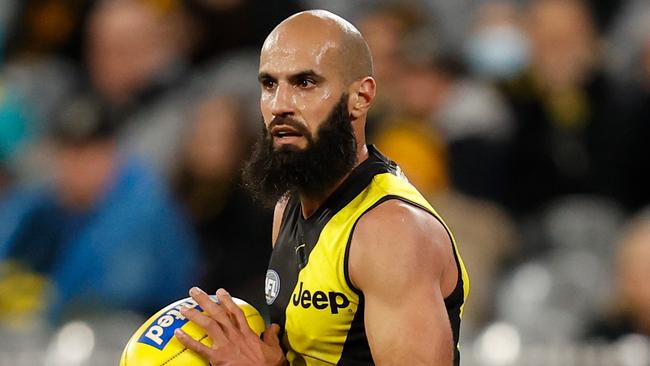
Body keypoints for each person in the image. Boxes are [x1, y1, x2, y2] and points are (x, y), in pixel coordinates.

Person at [174, 10, 469, 365]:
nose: (280, 105)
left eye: (305, 83)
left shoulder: (391, 233)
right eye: (269, 84)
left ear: (360, 97)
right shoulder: (288, 209)